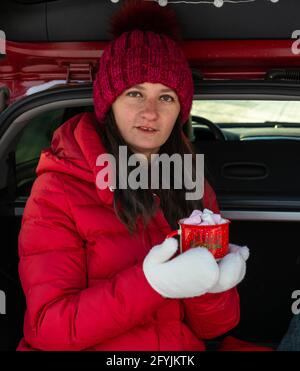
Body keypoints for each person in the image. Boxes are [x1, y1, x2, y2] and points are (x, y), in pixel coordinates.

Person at [17, 0, 249, 351]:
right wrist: (151, 284)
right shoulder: (58, 189)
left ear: (180, 111)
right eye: (135, 93)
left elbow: (215, 327)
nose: (150, 113)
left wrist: (214, 289)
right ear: (108, 102)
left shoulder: (191, 185)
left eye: (166, 98)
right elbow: (47, 329)